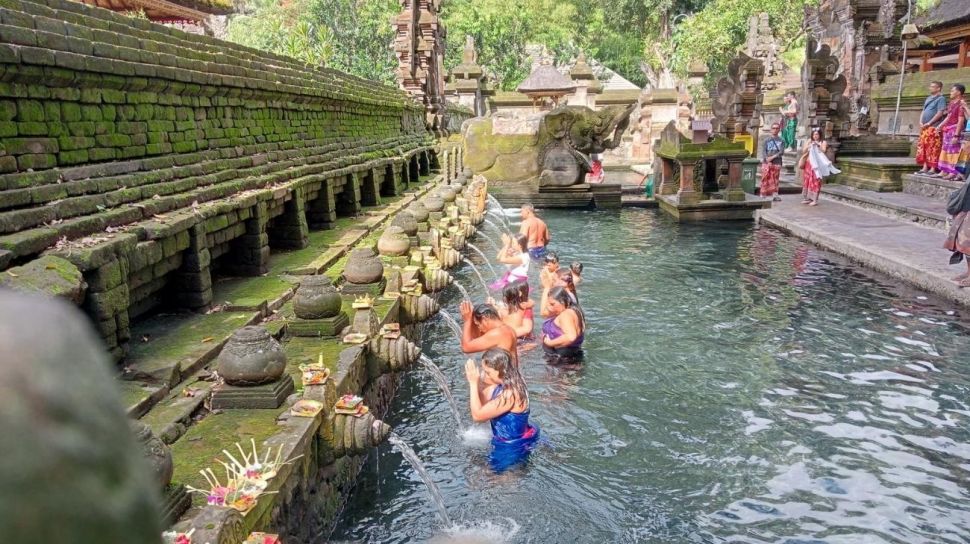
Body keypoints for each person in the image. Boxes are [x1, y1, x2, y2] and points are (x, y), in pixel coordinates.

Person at [464, 348, 539, 472]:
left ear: (501, 371)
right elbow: (483, 403)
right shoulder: (509, 381)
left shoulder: (511, 393)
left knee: (494, 483)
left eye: (487, 372)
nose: (484, 374)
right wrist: (477, 382)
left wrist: (472, 383)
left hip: (512, 446)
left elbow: (477, 416)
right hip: (513, 438)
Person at [459, 300, 519, 365]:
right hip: (512, 373)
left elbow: (466, 347)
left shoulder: (498, 333)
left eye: (478, 325)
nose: (480, 329)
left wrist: (467, 320)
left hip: (506, 374)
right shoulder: (507, 329)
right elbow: (476, 337)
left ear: (485, 318)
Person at [540, 286, 586, 362]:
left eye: (552, 304)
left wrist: (549, 343)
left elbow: (571, 337)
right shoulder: (575, 310)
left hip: (560, 360)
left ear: (563, 302)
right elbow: (544, 314)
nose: (549, 307)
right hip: (571, 356)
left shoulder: (566, 315)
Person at [798, 128, 840, 206]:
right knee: (807, 180)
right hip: (808, 163)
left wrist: (817, 145)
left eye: (817, 134)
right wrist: (809, 146)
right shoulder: (809, 141)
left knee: (816, 180)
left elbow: (823, 150)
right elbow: (804, 151)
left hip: (817, 165)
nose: (815, 136)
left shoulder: (823, 142)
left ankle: (815, 199)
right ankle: (807, 198)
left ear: (820, 135)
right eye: (814, 134)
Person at [936, 84, 967, 182]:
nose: (950, 92)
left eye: (952, 91)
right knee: (945, 150)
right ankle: (944, 170)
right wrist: (940, 125)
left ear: (958, 92)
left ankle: (952, 171)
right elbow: (948, 117)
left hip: (955, 129)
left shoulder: (961, 104)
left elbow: (961, 120)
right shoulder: (952, 103)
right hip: (948, 129)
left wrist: (956, 135)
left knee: (953, 152)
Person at [916, 81, 947, 175]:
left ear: (939, 88)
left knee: (933, 147)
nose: (931, 88)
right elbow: (924, 110)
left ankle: (933, 168)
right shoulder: (928, 98)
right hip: (924, 127)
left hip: (934, 126)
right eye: (930, 86)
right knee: (924, 146)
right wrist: (921, 121)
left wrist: (929, 123)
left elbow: (940, 113)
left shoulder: (941, 99)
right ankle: (925, 166)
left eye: (933, 87)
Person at [760, 122, 785, 201]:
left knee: (775, 179)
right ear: (771, 130)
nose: (775, 130)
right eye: (773, 128)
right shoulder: (766, 140)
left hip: (777, 162)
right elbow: (764, 151)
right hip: (766, 162)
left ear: (779, 130)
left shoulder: (781, 140)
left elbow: (781, 152)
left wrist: (772, 157)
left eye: (777, 128)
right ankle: (763, 193)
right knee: (765, 178)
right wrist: (767, 159)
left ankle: (775, 194)